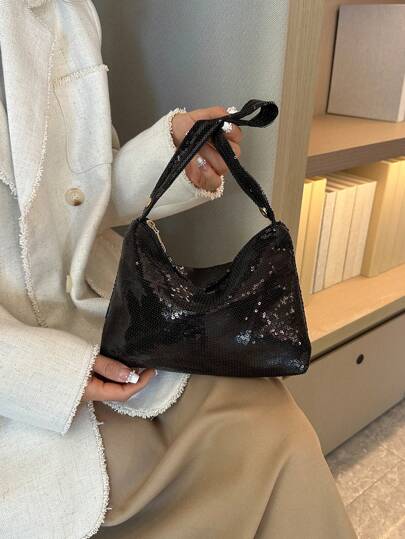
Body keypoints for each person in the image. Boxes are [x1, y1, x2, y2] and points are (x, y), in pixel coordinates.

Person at [0, 1, 357, 538]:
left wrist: (173, 154)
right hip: (21, 385)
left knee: (275, 425)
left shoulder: (62, 10)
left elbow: (73, 199)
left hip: (98, 325)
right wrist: (47, 373)